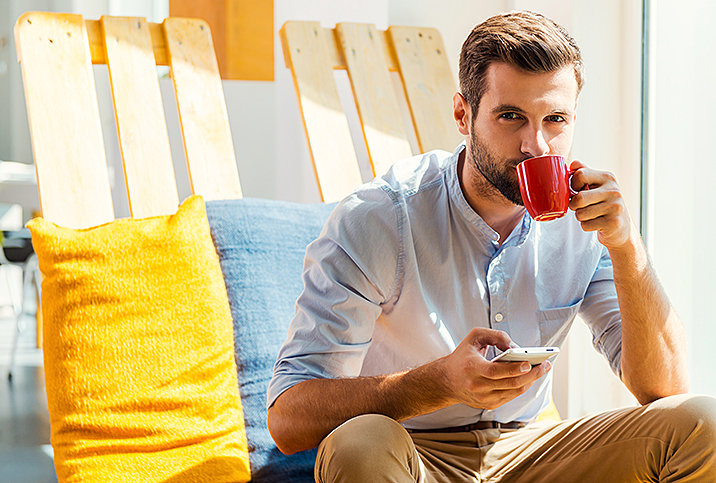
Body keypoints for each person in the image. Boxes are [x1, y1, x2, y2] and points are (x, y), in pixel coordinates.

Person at [267, 10, 716, 482]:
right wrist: (437, 382)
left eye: (555, 119)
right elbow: (288, 419)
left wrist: (627, 249)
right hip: (410, 453)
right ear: (464, 115)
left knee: (702, 425)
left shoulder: (585, 222)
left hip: (529, 450)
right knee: (358, 445)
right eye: (511, 117)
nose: (536, 145)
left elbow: (664, 389)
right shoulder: (379, 219)